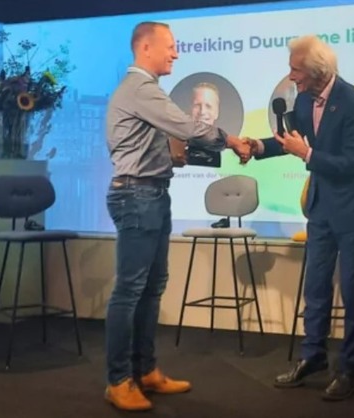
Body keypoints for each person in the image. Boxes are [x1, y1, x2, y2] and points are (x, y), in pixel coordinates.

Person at [104, 21, 249, 411]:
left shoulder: (147, 90)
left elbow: (156, 141)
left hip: (151, 193)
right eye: (170, 46)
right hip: (136, 195)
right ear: (145, 48)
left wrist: (170, 156)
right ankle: (118, 380)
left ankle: (145, 371)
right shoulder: (140, 88)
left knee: (152, 287)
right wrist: (231, 140)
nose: (176, 53)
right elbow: (186, 126)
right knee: (130, 291)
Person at [243, 35, 354, 401]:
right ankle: (313, 358)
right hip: (321, 206)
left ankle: (350, 368)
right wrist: (258, 146)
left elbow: (351, 163)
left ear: (318, 70)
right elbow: (290, 139)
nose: (291, 76)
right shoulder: (305, 99)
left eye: (296, 70)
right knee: (316, 286)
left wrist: (306, 154)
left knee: (352, 290)